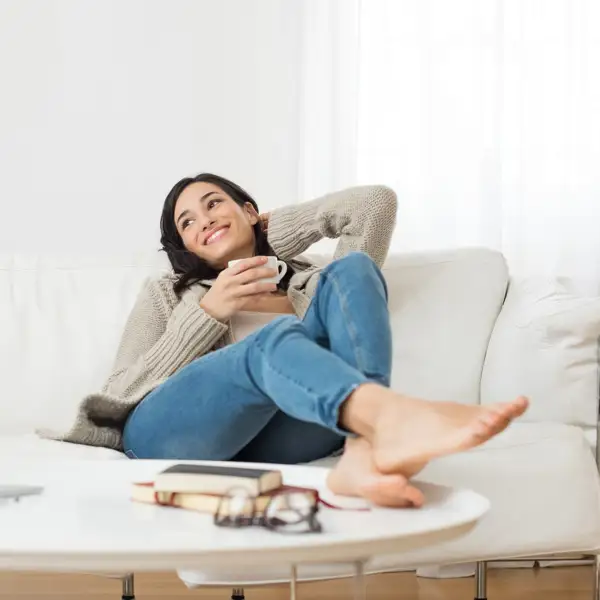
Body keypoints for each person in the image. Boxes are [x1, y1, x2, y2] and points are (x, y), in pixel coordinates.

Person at [47, 173, 528, 507]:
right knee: (271, 342)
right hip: (166, 434)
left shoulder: (308, 285)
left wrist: (271, 233)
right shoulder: (168, 293)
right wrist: (208, 313)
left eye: (214, 203)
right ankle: (387, 426)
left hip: (276, 436)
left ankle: (364, 448)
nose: (204, 220)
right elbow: (124, 385)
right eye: (187, 222)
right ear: (186, 247)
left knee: (355, 269)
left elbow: (374, 203)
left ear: (250, 211)